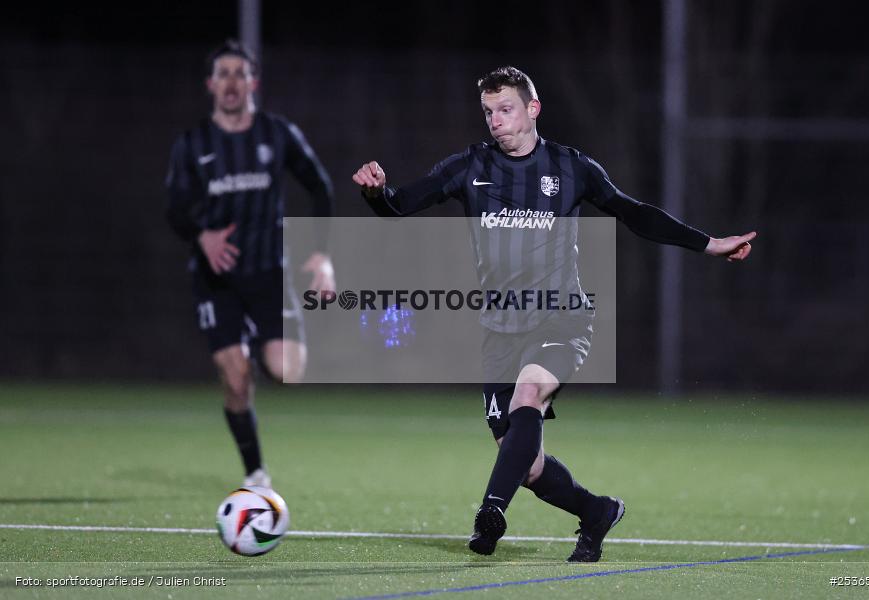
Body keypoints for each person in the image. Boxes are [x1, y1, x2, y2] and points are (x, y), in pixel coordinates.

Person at [352, 66, 755, 562]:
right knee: (524, 462)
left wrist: (710, 244)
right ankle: (596, 512)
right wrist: (375, 193)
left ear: (533, 109)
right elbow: (399, 205)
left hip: (561, 317)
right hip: (499, 329)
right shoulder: (468, 166)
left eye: (506, 110)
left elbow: (634, 213)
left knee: (530, 394)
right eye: (488, 112)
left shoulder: (571, 168)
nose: (495, 121)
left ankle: (490, 513)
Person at [166, 40, 335, 489]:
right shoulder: (194, 144)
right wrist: (201, 235)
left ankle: (260, 345)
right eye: (222, 74)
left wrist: (321, 256)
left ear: (253, 82)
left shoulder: (277, 134)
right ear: (210, 84)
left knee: (286, 371)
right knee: (237, 381)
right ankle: (256, 473)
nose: (231, 82)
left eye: (240, 73)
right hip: (215, 280)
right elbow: (174, 209)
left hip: (268, 276)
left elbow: (319, 187)